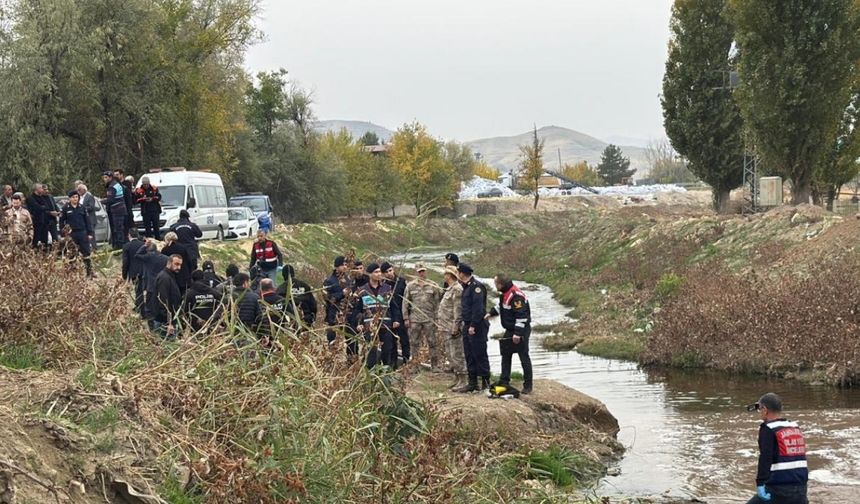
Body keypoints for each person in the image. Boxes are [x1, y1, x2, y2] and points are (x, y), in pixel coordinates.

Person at [745, 393, 808, 504]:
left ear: (765, 409)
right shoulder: (794, 426)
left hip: (778, 489)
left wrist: (760, 483)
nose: (759, 413)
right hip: (801, 488)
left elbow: (765, 458)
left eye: (759, 409)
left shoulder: (768, 429)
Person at [489, 273, 533, 394]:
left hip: (521, 329)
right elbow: (501, 306)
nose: (495, 286)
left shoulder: (516, 296)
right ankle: (504, 381)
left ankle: (528, 385)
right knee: (506, 354)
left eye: (495, 284)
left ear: (500, 284)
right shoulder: (505, 293)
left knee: (523, 356)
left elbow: (521, 317)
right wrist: (491, 313)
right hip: (510, 329)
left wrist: (517, 334)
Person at [351, 263, 396, 369]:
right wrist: (359, 324)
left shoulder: (387, 288)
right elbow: (358, 310)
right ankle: (371, 374)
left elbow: (394, 307)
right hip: (369, 325)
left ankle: (385, 374)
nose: (379, 274)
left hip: (385, 324)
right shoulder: (362, 290)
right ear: (370, 274)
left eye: (380, 272)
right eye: (376, 272)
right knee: (372, 351)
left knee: (387, 350)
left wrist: (396, 320)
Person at [457, 263, 491, 393]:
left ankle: (486, 382)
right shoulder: (466, 287)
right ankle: (472, 383)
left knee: (479, 353)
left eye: (458, 272)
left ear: (462, 273)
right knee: (469, 354)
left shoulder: (476, 287)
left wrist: (473, 325)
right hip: (467, 325)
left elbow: (478, 309)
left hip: (477, 326)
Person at [402, 263, 442, 367]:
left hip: (429, 319)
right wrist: (406, 318)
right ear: (416, 272)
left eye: (423, 271)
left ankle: (435, 366)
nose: (422, 273)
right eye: (419, 271)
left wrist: (437, 319)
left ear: (426, 271)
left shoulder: (433, 285)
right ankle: (415, 365)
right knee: (414, 343)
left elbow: (438, 303)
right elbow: (405, 302)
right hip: (415, 319)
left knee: (432, 342)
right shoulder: (410, 286)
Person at [437, 266, 465, 389]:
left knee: (457, 354)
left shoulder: (457, 289)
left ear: (450, 275)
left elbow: (457, 309)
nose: (444, 275)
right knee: (449, 353)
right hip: (445, 327)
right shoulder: (449, 289)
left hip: (453, 327)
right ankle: (457, 378)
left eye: (446, 274)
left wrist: (456, 326)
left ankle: (463, 379)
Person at [58, 191, 94, 277]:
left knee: (86, 253)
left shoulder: (82, 208)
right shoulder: (65, 208)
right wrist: (64, 234)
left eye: (77, 197)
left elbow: (87, 221)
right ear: (70, 198)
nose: (75, 199)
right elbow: (61, 222)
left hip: (82, 233)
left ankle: (89, 273)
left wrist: (90, 233)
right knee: (72, 254)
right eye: (73, 197)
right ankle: (73, 273)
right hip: (71, 234)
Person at [381, 262, 409, 361]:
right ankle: (393, 362)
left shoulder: (402, 282)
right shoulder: (383, 285)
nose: (389, 273)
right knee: (391, 341)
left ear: (393, 269)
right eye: (386, 272)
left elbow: (408, 299)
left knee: (404, 339)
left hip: (401, 314)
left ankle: (406, 360)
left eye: (390, 270)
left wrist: (407, 316)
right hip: (390, 315)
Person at [136, 239, 169, 324]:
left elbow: (137, 255)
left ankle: (151, 324)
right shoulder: (165, 258)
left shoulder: (148, 257)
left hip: (151, 284)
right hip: (162, 283)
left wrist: (144, 246)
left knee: (149, 306)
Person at [276, 264, 317, 329]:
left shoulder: (281, 289)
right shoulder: (305, 286)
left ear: (283, 276)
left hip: (289, 322)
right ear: (293, 273)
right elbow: (313, 305)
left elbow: (278, 307)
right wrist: (312, 317)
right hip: (306, 320)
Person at [153, 254, 184, 339]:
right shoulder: (164, 278)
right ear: (169, 263)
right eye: (176, 264)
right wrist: (168, 323)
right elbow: (163, 301)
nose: (179, 267)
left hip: (169, 320)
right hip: (164, 322)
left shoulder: (170, 276)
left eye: (180, 265)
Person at [323, 256, 350, 346]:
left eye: (346, 265)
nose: (345, 267)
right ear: (336, 267)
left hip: (347, 312)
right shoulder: (329, 281)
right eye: (342, 265)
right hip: (333, 313)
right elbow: (327, 298)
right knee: (332, 337)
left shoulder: (348, 280)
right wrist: (342, 293)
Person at [122, 229, 147, 315]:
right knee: (141, 290)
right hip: (144, 270)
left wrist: (124, 275)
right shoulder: (143, 245)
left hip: (133, 272)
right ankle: (138, 305)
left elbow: (125, 262)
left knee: (138, 290)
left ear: (129, 235)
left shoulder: (126, 246)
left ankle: (140, 308)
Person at [102, 171, 127, 249]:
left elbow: (110, 200)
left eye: (106, 177)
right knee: (119, 229)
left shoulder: (112, 187)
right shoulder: (116, 184)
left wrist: (101, 201)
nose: (104, 179)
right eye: (103, 178)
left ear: (110, 177)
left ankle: (119, 248)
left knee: (118, 229)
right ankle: (119, 246)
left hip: (117, 210)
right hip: (120, 209)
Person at [259, 278, 287, 343]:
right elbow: (291, 315)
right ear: (273, 288)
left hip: (265, 338)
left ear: (261, 289)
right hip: (281, 335)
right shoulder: (282, 300)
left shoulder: (259, 302)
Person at [26, 183, 51, 249]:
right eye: (41, 188)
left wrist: (42, 207)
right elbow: (37, 208)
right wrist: (42, 207)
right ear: (36, 189)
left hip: (44, 222)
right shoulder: (31, 198)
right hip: (36, 223)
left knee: (44, 241)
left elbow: (47, 207)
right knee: (35, 241)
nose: (42, 189)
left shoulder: (42, 197)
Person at [77, 184, 98, 250]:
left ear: (84, 190)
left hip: (90, 219)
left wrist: (82, 208)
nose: (78, 191)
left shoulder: (89, 197)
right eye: (78, 190)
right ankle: (87, 248)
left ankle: (94, 248)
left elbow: (91, 207)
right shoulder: (80, 197)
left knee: (91, 234)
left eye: (79, 190)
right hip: (83, 219)